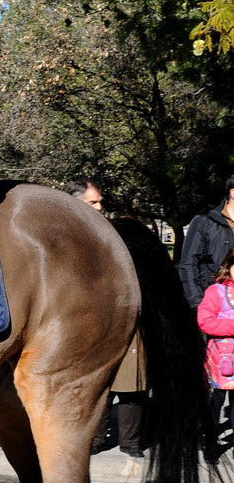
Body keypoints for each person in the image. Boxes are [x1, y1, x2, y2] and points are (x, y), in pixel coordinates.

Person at [71, 178, 149, 457]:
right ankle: (94, 439)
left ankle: (131, 442)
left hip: (125, 314)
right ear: (76, 202)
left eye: (100, 201)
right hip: (86, 322)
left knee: (132, 385)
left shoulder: (114, 232)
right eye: (93, 202)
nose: (100, 207)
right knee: (96, 387)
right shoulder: (63, 233)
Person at [196, 247, 234, 449]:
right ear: (228, 267)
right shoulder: (215, 292)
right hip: (221, 361)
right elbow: (205, 322)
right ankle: (209, 444)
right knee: (215, 404)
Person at [179, 174, 234, 311]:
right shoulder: (204, 222)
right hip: (214, 308)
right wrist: (198, 303)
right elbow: (188, 264)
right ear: (233, 192)